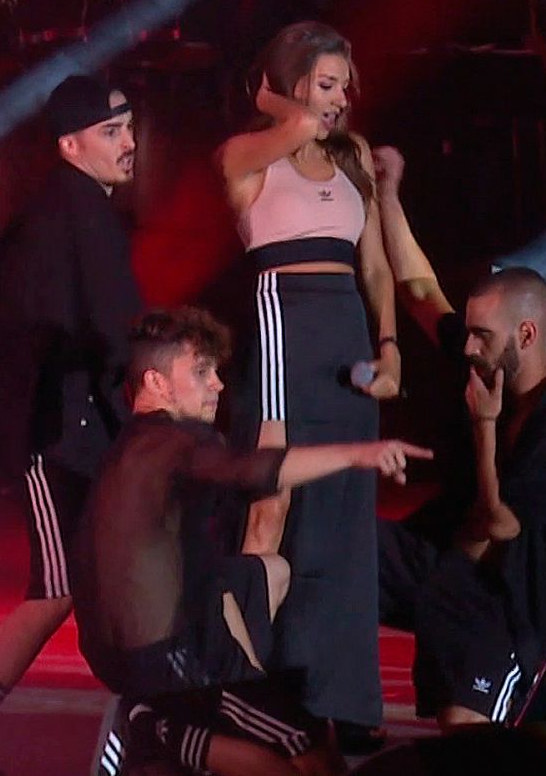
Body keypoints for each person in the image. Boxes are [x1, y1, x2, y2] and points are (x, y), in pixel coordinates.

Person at [73, 307, 430, 775]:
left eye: (217, 372)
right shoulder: (177, 440)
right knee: (304, 744)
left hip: (122, 659)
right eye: (201, 373)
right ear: (157, 383)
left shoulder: (128, 449)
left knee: (267, 570)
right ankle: (155, 727)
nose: (217, 385)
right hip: (166, 665)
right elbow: (253, 470)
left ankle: (166, 729)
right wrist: (361, 452)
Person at [0, 74, 143, 776]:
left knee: (107, 585)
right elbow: (100, 332)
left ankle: (139, 737)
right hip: (56, 437)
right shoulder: (72, 213)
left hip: (72, 430)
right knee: (56, 588)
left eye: (130, 127)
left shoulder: (70, 210)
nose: (130, 142)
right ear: (70, 144)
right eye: (112, 132)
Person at [215, 20, 400, 749]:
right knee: (272, 512)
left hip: (346, 336)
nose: (340, 99)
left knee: (346, 516)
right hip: (281, 327)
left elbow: (378, 267)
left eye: (345, 86)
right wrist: (285, 106)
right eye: (326, 84)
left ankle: (341, 701)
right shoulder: (245, 156)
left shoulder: (352, 156)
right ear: (286, 86)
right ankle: (244, 691)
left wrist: (389, 346)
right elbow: (286, 129)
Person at [373, 160, 546, 729]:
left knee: (464, 741)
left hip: (515, 612)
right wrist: (387, 194)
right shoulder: (487, 359)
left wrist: (484, 428)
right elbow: (421, 290)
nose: (467, 345)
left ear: (526, 335)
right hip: (457, 574)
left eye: (481, 335)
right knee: (341, 537)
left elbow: (496, 525)